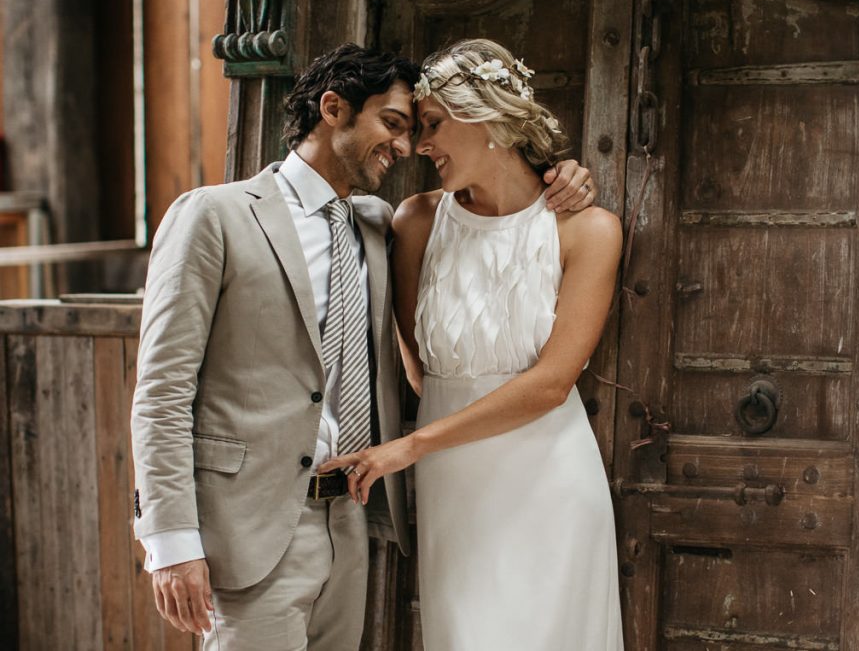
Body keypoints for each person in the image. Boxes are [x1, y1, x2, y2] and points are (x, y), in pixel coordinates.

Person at [130, 42, 595, 650]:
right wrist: (169, 543)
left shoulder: (381, 223)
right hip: (246, 528)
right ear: (333, 108)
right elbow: (162, 392)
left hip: (349, 521)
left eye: (415, 130)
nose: (405, 148)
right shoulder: (214, 216)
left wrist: (565, 174)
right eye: (393, 125)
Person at [319, 39, 624, 650]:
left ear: (487, 117)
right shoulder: (417, 221)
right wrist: (424, 446)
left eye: (431, 125)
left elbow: (551, 383)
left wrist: (409, 446)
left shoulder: (588, 229)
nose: (418, 145)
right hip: (452, 483)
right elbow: (416, 364)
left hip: (549, 480)